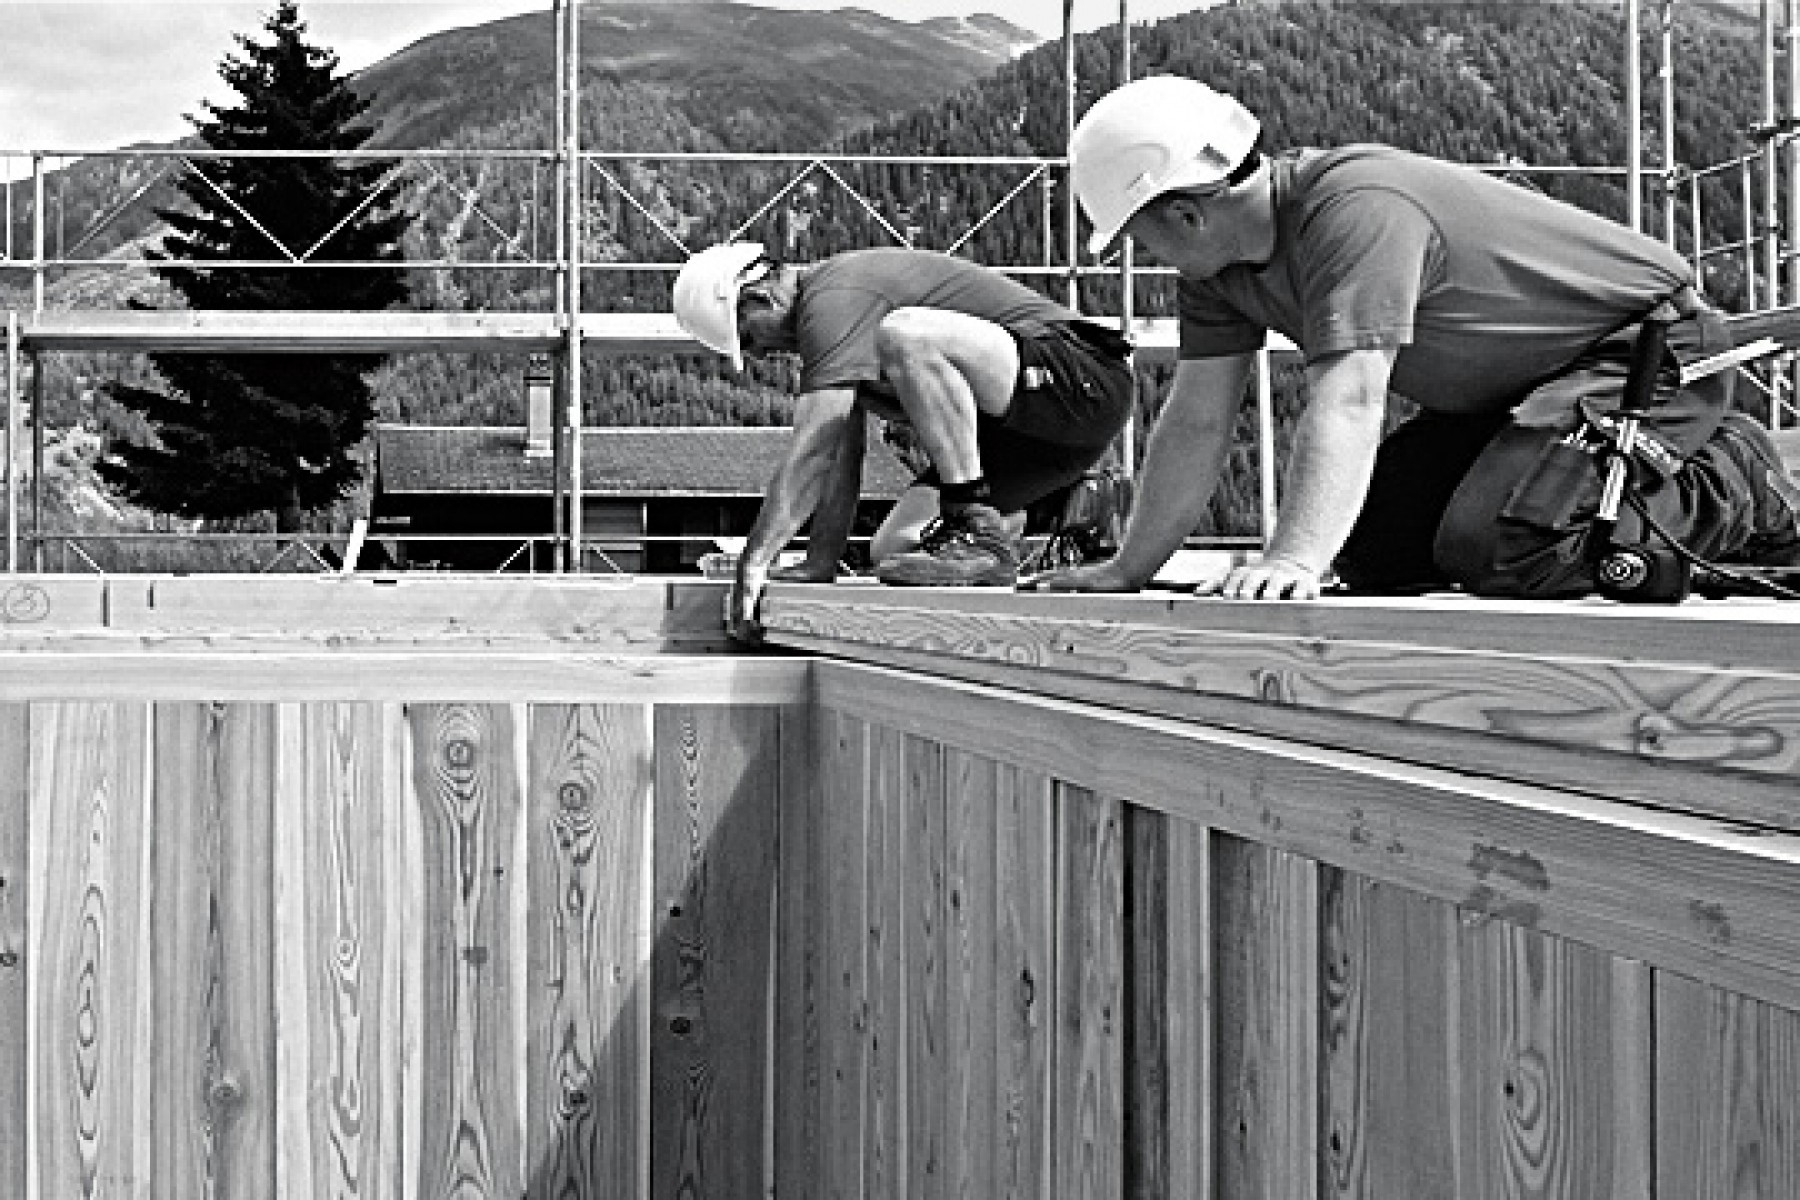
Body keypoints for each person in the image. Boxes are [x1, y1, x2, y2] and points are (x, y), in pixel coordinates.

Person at [1029, 74, 1800, 602]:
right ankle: (1593, 476)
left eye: (1140, 236)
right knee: (1376, 547)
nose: (1147, 256)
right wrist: (1130, 568)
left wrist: (1294, 557)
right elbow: (1197, 418)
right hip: (1518, 394)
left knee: (1508, 541)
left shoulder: (1356, 208)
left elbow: (1354, 399)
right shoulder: (1220, 272)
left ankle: (1741, 475)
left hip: (1648, 352)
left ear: (1186, 214)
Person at [672, 242, 1134, 640]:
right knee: (894, 548)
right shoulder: (834, 338)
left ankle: (984, 528)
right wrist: (819, 564)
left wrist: (752, 565)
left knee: (906, 336)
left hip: (1084, 379)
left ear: (758, 296)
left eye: (751, 338)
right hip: (1029, 441)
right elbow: (837, 453)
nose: (762, 353)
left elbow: (810, 451)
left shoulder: (834, 298)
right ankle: (1052, 512)